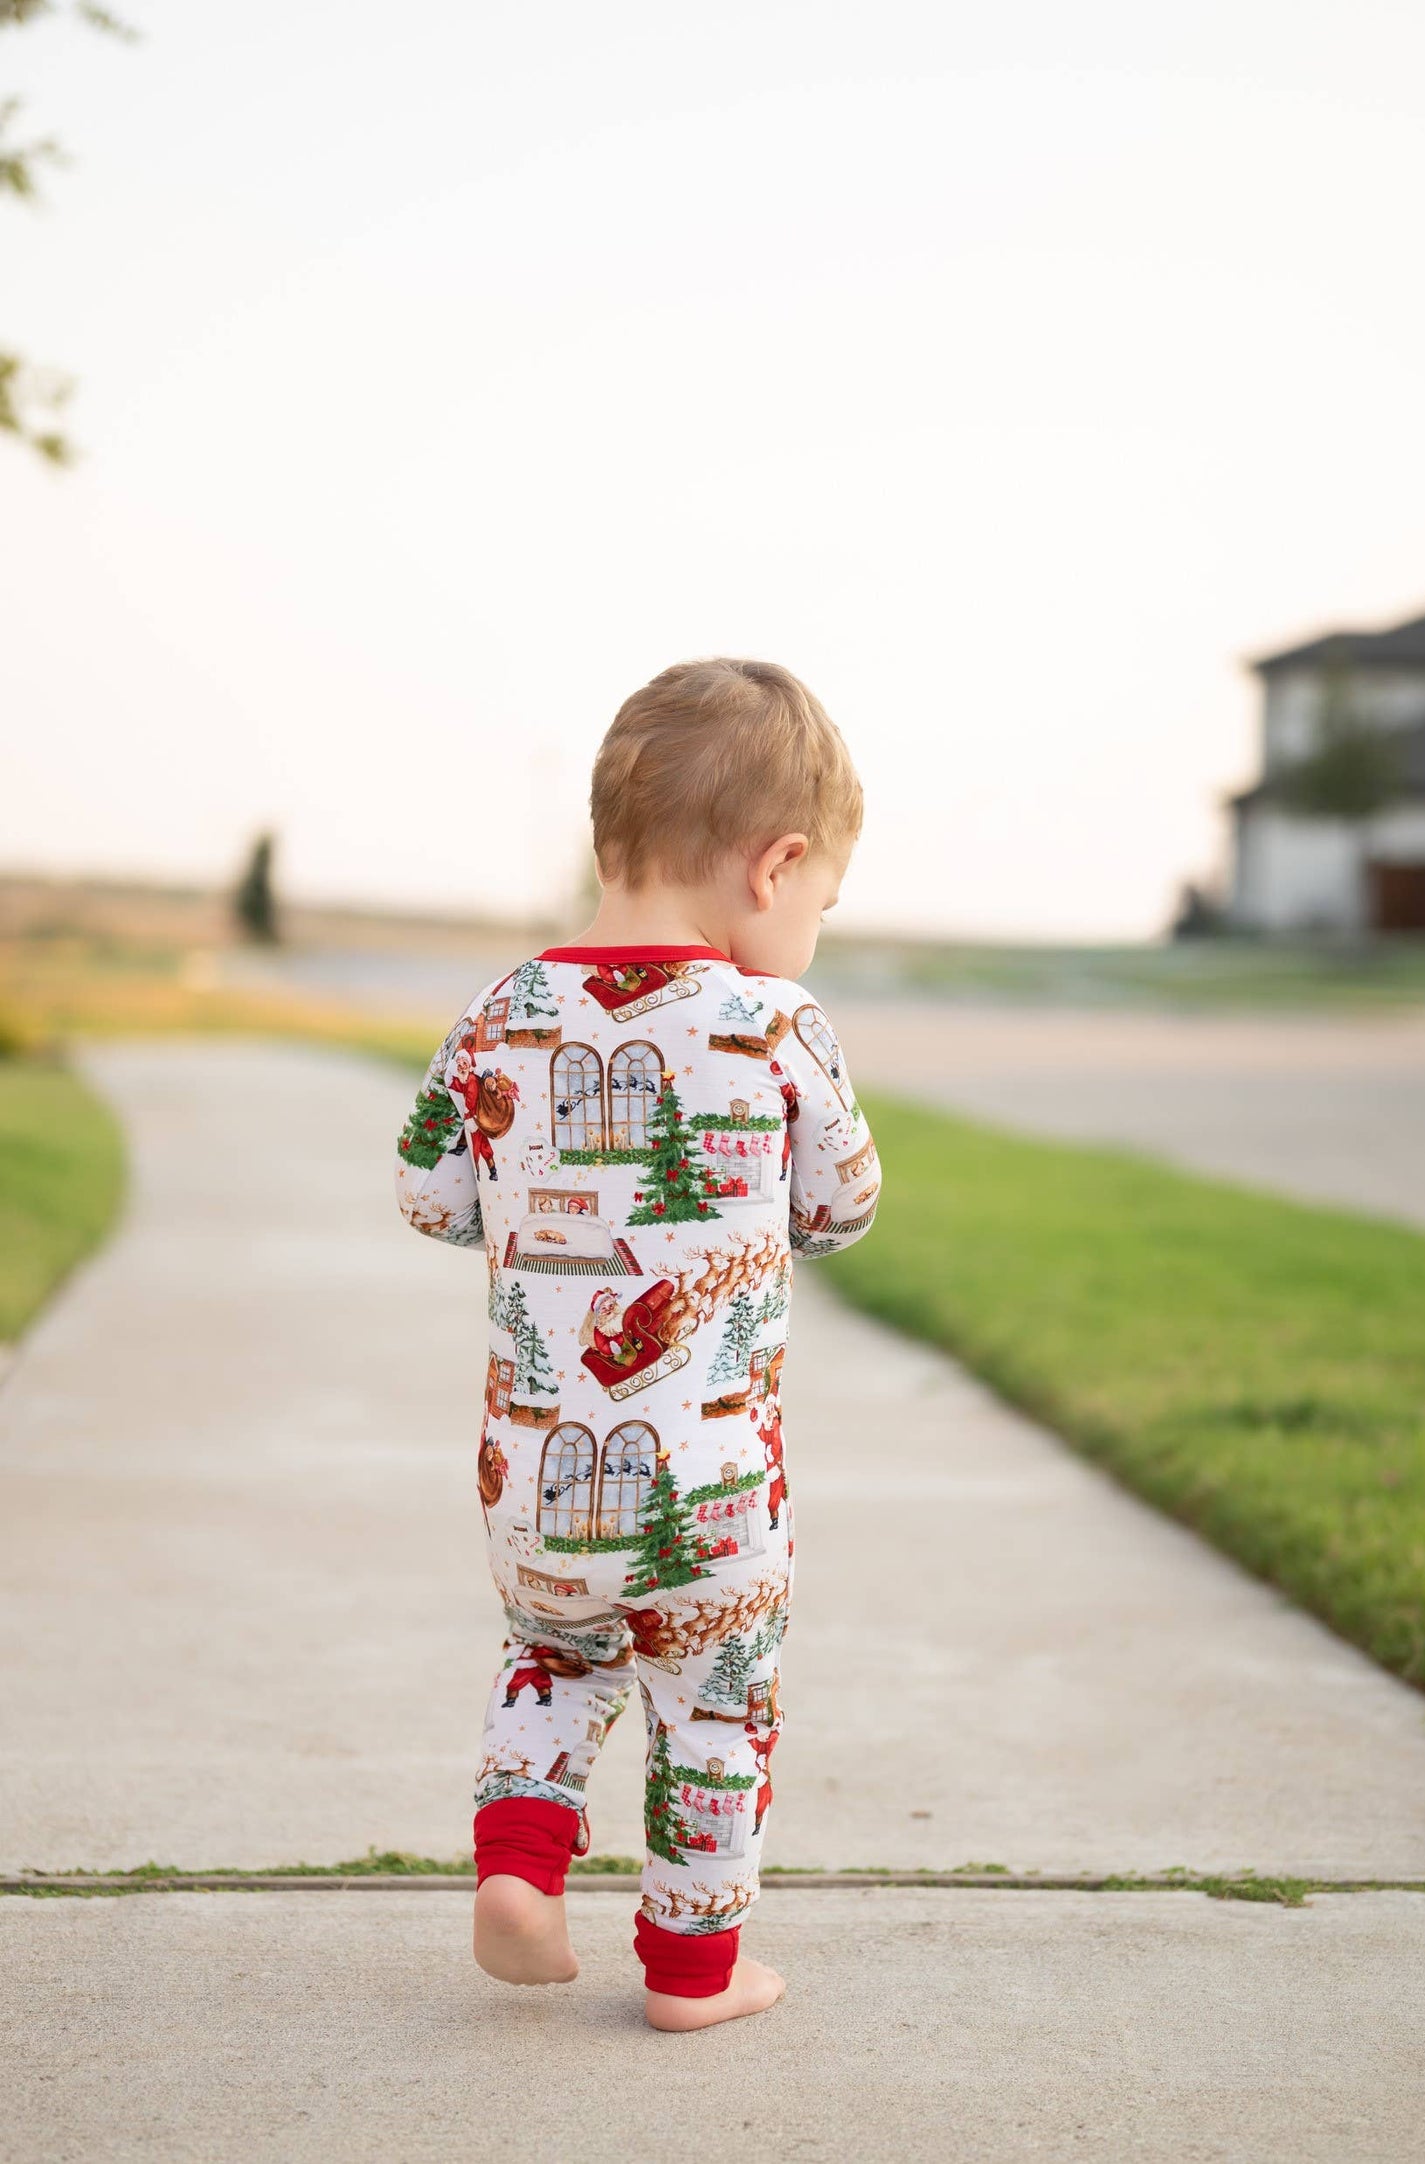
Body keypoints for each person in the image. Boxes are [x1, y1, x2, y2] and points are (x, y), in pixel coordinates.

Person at [394, 656, 881, 2032]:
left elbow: (428, 1192)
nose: (816, 932)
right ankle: (691, 1973)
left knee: (555, 1659)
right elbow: (839, 1210)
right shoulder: (776, 1022)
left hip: (532, 1484)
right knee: (713, 1713)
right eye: (824, 904)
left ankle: (520, 1874)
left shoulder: (501, 1011)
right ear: (775, 866)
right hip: (713, 1504)